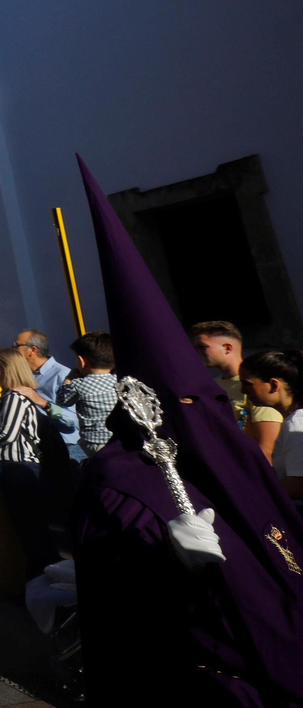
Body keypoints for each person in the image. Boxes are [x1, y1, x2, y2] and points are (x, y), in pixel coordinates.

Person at [71, 158, 303, 708]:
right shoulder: (116, 482)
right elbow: (112, 602)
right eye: (185, 405)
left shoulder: (234, 458)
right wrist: (165, 562)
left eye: (208, 403)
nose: (202, 415)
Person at [0, 349, 57, 577]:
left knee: (31, 531)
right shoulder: (8, 396)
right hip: (17, 470)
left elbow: (5, 435)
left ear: (3, 368)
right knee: (29, 530)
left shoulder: (14, 397)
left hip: (20, 470)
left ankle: (46, 579)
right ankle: (42, 577)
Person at [193, 321, 285, 458]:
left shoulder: (257, 385)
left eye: (203, 347)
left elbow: (268, 447)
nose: (197, 353)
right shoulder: (210, 386)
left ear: (227, 348)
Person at [240, 349, 303, 499]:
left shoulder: (296, 423)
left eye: (248, 384)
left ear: (274, 385)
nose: (243, 390)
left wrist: (248, 489)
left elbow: (298, 486)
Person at [13, 330, 81, 463]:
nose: (13, 350)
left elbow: (71, 420)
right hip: (40, 448)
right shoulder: (25, 375)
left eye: (16, 345)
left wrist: (42, 402)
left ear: (33, 350)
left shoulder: (63, 375)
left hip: (68, 449)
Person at [54, 333, 118, 457]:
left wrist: (69, 378)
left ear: (82, 361)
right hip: (118, 440)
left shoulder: (79, 385)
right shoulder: (119, 381)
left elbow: (62, 400)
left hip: (95, 443)